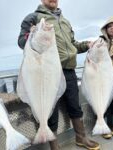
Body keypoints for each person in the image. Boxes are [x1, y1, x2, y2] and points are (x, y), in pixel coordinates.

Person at [18, 0, 100, 150]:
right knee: (51, 110)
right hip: (47, 73)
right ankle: (54, 146)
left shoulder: (65, 21)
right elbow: (22, 42)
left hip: (69, 71)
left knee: (75, 106)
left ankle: (81, 138)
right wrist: (32, 34)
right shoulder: (32, 17)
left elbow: (73, 44)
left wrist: (87, 45)